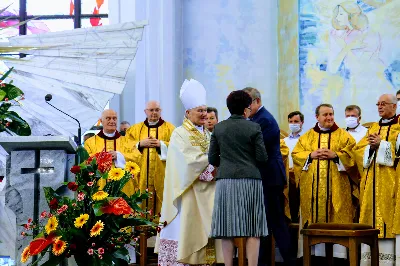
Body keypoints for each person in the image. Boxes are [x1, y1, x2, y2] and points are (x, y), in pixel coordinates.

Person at [155, 79, 223, 265]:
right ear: (187, 112)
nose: (204, 114)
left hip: (207, 194)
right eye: (199, 110)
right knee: (185, 229)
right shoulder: (179, 134)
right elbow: (188, 162)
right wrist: (214, 165)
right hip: (187, 195)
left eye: (205, 110)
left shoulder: (208, 134)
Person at [209, 90, 268, 266]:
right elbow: (262, 157)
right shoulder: (254, 127)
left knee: (227, 228)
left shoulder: (219, 128)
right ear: (245, 109)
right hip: (250, 180)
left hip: (225, 180)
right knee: (253, 229)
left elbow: (212, 158)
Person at [292, 103, 357, 260]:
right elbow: (296, 155)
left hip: (337, 192)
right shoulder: (307, 137)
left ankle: (338, 257)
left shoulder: (344, 136)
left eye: (331, 114)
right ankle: (312, 257)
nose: (329, 117)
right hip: (312, 195)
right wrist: (310, 155)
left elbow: (353, 157)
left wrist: (336, 155)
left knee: (337, 219)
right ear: (317, 117)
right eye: (325, 114)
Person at [242, 87, 294, 266]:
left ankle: (289, 261)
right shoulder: (255, 118)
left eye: (248, 103)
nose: (245, 107)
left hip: (269, 178)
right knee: (263, 222)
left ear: (257, 101)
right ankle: (262, 261)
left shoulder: (264, 120)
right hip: (263, 177)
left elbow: (255, 149)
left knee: (276, 221)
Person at [353, 94, 400, 265]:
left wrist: (383, 145)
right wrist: (370, 149)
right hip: (371, 185)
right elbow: (358, 152)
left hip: (391, 184)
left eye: (383, 104)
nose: (379, 107)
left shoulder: (399, 128)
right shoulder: (372, 128)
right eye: (378, 104)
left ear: (394, 106)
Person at [125, 101, 175, 220]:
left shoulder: (170, 129)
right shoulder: (134, 129)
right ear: (145, 112)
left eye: (157, 110)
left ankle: (161, 228)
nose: (154, 113)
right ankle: (140, 230)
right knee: (141, 198)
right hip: (141, 175)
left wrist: (161, 144)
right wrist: (140, 144)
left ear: (160, 111)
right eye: (151, 110)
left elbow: (178, 147)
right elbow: (126, 147)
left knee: (162, 200)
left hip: (162, 174)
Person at [84, 109, 141, 196]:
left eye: (114, 119)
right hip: (100, 186)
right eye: (108, 118)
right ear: (101, 121)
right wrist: (103, 158)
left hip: (124, 188)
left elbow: (137, 158)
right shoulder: (90, 142)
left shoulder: (127, 141)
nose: (112, 121)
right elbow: (86, 162)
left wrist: (119, 156)